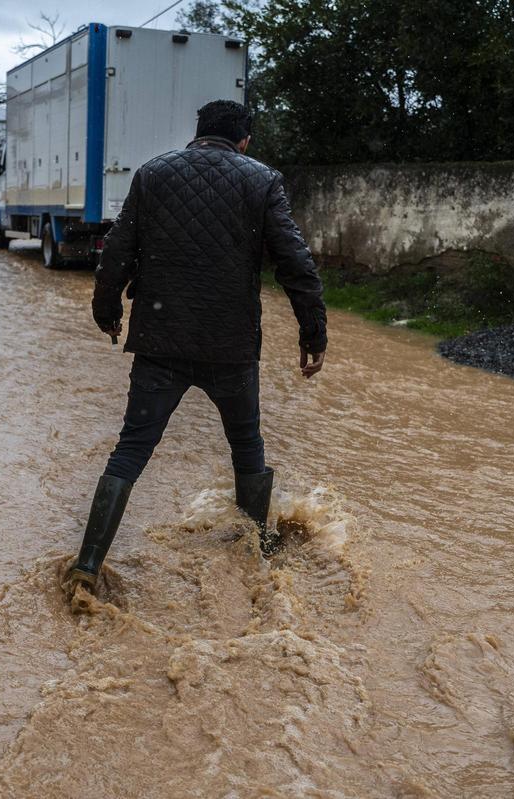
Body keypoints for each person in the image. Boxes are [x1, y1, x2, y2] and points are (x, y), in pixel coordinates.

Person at [65, 99, 327, 594]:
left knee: (131, 451)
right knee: (247, 449)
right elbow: (295, 261)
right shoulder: (262, 179)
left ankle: (87, 566)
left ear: (198, 132)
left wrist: (108, 312)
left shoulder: (153, 174)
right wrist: (313, 332)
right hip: (230, 346)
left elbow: (118, 250)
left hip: (160, 341)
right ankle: (256, 566)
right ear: (244, 139)